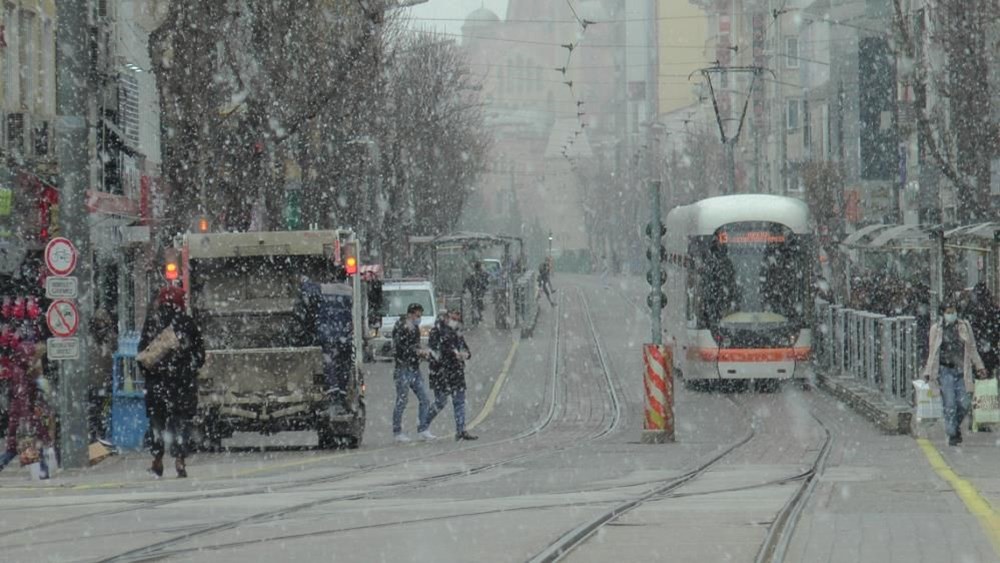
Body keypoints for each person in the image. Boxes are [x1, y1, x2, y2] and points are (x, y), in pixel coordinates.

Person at [139, 286, 205, 477]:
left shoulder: (153, 321)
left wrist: (153, 372)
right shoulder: (187, 323)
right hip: (181, 386)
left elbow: (142, 354)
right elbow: (199, 355)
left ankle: (157, 460)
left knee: (157, 425)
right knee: (181, 423)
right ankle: (180, 461)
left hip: (157, 385)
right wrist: (187, 368)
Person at [921, 302, 988, 446]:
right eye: (948, 311)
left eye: (953, 311)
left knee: (964, 402)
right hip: (945, 371)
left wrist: (979, 366)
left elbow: (972, 348)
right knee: (950, 403)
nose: (951, 314)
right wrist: (928, 371)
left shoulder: (965, 327)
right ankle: (952, 434)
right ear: (943, 313)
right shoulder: (936, 329)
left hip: (962, 370)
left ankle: (954, 427)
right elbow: (932, 352)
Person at [426, 310, 477, 441]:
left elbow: (466, 349)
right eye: (453, 318)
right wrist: (451, 354)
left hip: (456, 371)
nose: (455, 321)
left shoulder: (456, 333)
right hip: (441, 373)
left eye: (457, 319)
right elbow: (435, 352)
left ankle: (461, 430)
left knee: (459, 401)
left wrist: (465, 354)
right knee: (441, 401)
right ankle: (423, 423)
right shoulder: (437, 332)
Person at [391, 303, 435, 442]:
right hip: (403, 368)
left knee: (424, 399)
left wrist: (422, 353)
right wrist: (415, 351)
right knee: (402, 400)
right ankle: (397, 431)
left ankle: (423, 428)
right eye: (417, 316)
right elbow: (400, 348)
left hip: (414, 368)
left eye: (420, 316)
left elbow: (414, 346)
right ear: (410, 314)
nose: (419, 319)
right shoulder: (400, 327)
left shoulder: (415, 328)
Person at [965, 282, 999, 377]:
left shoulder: (971, 309)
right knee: (988, 374)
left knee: (975, 374)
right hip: (990, 350)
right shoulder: (992, 309)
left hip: (976, 346)